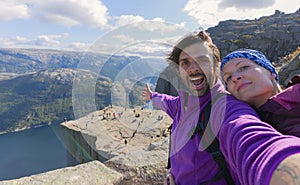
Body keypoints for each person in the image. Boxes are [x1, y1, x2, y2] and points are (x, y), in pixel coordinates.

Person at [142, 30, 300, 185]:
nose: (192, 68)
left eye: (202, 60)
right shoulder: (182, 103)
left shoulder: (226, 109)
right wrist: (152, 96)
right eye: (185, 63)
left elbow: (255, 143)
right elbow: (166, 100)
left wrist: (287, 168)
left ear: (216, 64)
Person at [220, 48, 300, 137]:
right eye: (228, 78)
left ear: (270, 72)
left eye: (244, 67)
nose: (235, 77)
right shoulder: (239, 126)